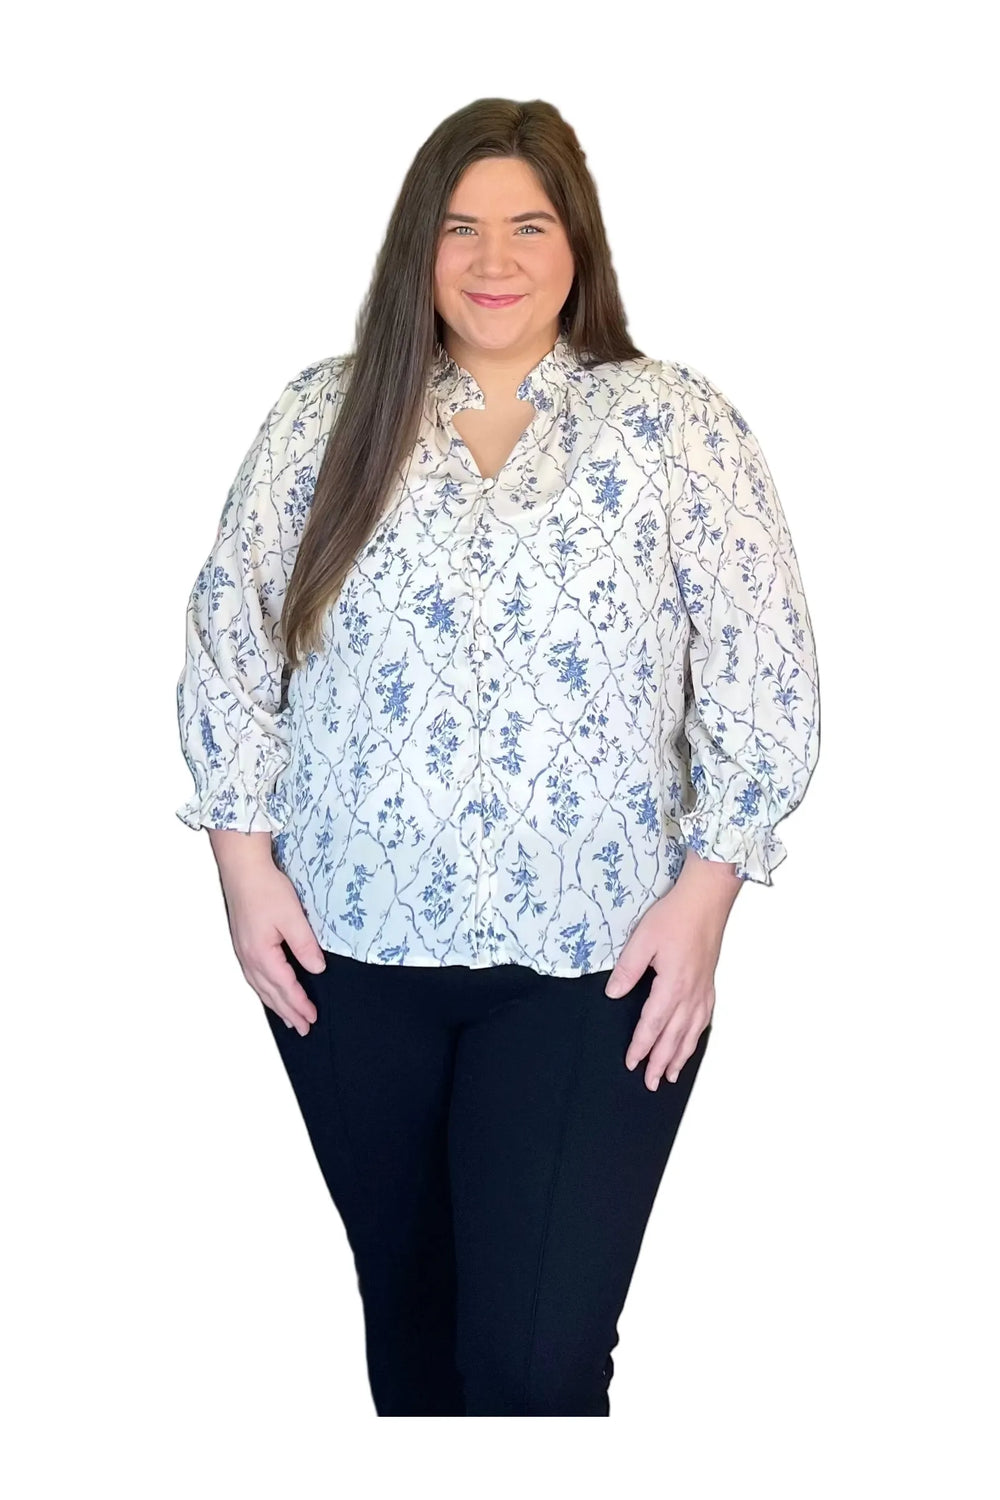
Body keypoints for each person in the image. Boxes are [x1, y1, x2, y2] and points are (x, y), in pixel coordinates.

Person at [174, 97, 820, 1417]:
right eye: (460, 227)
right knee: (416, 1340)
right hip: (347, 959)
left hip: (597, 965)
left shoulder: (672, 423)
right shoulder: (326, 415)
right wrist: (244, 873)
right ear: (420, 247)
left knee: (533, 1363)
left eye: (529, 224)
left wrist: (707, 906)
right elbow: (230, 636)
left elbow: (764, 671)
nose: (493, 258)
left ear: (576, 243)